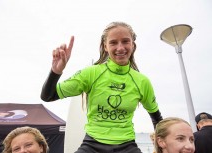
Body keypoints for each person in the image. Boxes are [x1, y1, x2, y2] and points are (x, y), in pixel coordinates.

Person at [41, 21, 163, 153]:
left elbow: (157, 120)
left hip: (127, 147)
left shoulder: (142, 81)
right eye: (113, 42)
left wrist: (161, 147)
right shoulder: (91, 73)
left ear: (133, 44)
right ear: (105, 46)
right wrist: (56, 71)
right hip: (92, 145)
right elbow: (48, 96)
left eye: (125, 41)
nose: (120, 47)